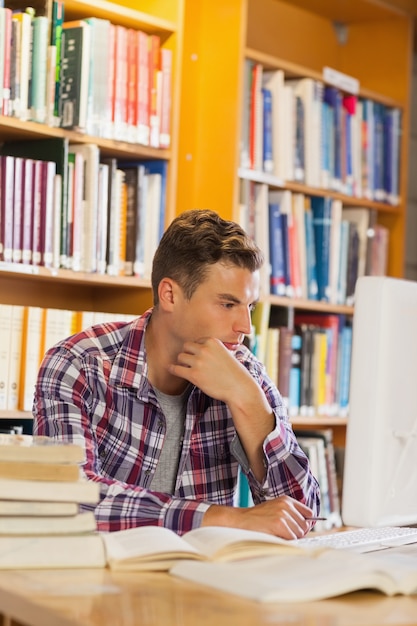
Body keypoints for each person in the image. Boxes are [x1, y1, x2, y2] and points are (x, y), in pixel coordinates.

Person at [33, 209, 320, 538]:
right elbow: (72, 499)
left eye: (249, 306)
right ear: (169, 295)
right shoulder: (78, 365)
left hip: (204, 581)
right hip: (101, 579)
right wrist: (227, 518)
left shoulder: (243, 371)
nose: (246, 327)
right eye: (228, 305)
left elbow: (302, 514)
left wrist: (248, 401)